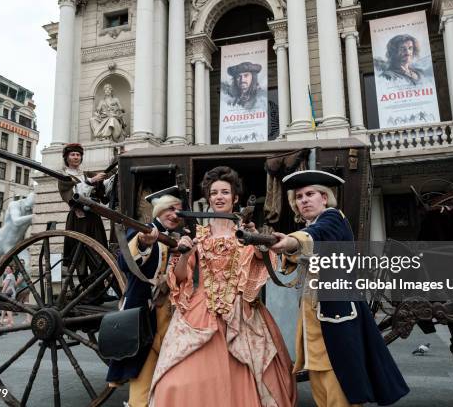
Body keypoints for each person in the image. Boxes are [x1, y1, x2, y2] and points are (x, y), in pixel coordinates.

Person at [149, 166, 296, 407]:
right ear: (208, 198)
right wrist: (185, 253)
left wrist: (257, 240)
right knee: (176, 379)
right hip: (200, 310)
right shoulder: (199, 234)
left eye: (225, 192)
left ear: (235, 198)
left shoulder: (246, 232)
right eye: (214, 192)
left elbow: (262, 263)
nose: (219, 197)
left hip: (242, 312)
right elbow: (180, 276)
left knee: (248, 374)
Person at [270, 170, 409, 407]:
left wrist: (290, 241)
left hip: (338, 321)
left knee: (341, 394)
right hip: (316, 324)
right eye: (299, 196)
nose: (304, 200)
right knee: (322, 392)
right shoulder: (312, 226)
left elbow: (314, 235)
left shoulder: (332, 218)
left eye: (310, 194)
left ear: (324, 197)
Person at [107, 186, 183, 407]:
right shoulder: (145, 230)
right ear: (158, 211)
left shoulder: (177, 237)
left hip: (167, 311)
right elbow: (124, 263)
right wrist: (142, 243)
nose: (174, 214)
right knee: (142, 371)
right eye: (169, 209)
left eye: (178, 211)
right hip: (142, 312)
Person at [58, 143, 110, 288]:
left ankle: (99, 290)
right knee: (79, 255)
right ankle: (87, 290)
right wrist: (92, 181)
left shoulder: (86, 174)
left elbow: (103, 189)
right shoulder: (64, 176)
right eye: (73, 154)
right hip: (78, 219)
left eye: (78, 154)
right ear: (66, 157)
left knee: (98, 251)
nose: (76, 157)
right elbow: (74, 194)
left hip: (93, 217)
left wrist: (102, 181)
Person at [15, 259, 31, 324]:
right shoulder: (25, 271)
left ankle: (9, 318)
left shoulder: (22, 272)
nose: (22, 264)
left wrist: (13, 284)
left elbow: (18, 282)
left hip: (22, 289)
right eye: (21, 263)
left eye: (22, 263)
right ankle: (28, 319)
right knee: (26, 303)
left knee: (13, 301)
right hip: (27, 288)